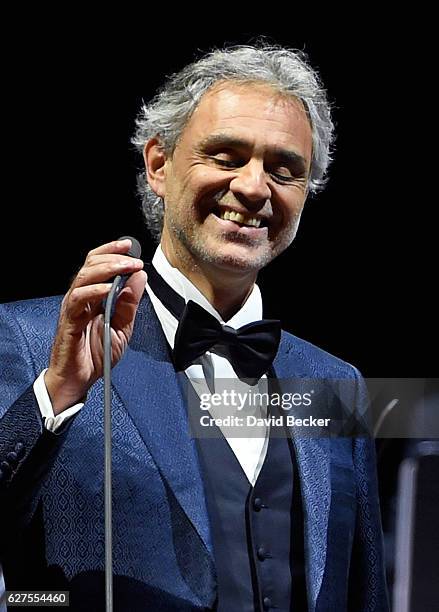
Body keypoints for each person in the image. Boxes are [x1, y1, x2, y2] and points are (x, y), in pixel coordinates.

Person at [0, 44, 389, 611]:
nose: (255, 188)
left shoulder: (335, 380)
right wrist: (56, 393)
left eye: (285, 170)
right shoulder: (32, 340)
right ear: (159, 164)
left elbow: (363, 593)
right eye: (227, 157)